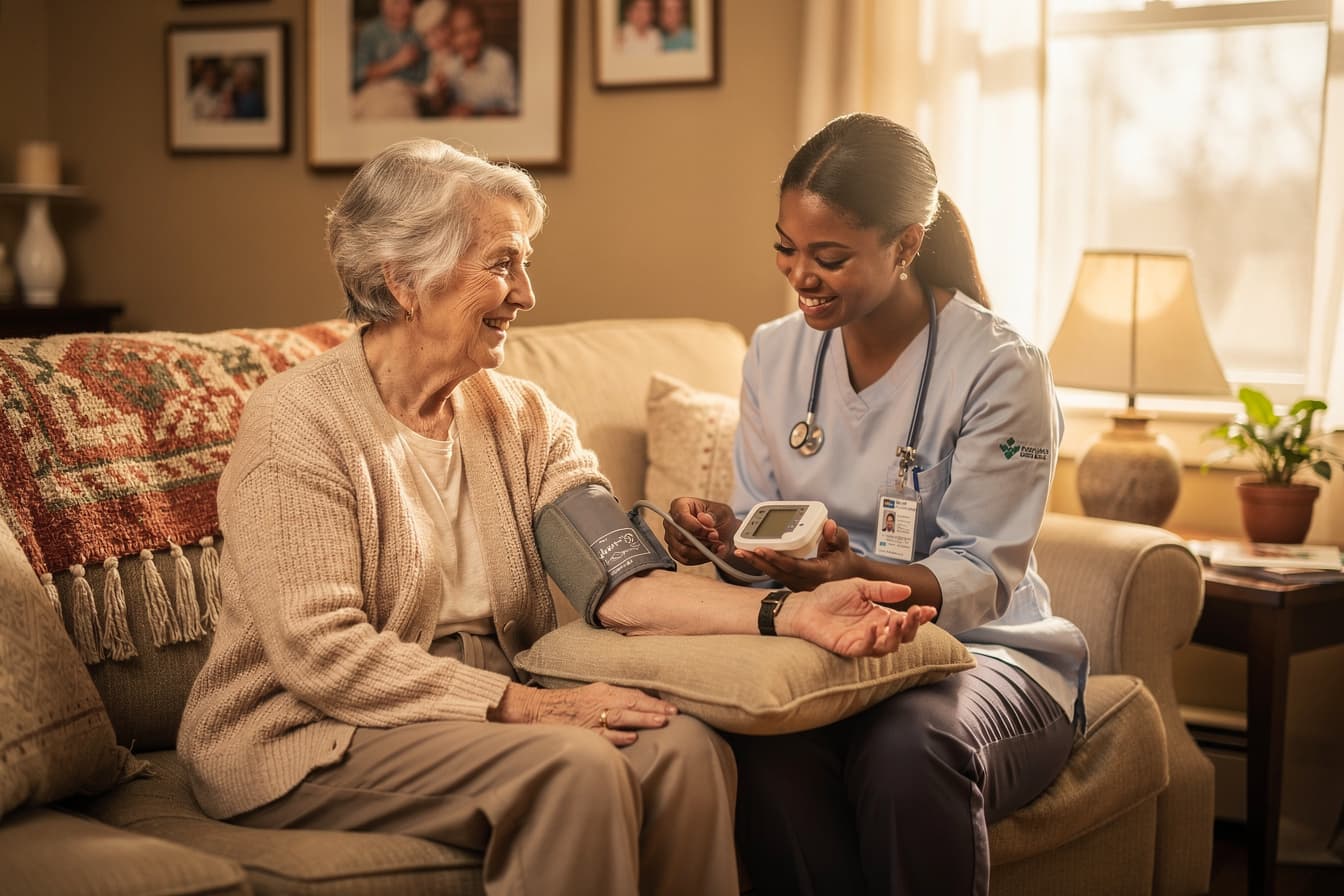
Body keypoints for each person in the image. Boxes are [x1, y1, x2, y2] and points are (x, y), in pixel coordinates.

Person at [176, 137, 934, 896]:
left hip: (463, 711)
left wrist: (794, 612)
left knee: (685, 749)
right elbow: (322, 653)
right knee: (575, 768)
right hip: (312, 731)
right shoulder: (298, 424)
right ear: (406, 280)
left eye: (524, 262)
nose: (527, 294)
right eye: (503, 263)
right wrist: (532, 707)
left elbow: (625, 581)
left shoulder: (521, 417)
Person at [663, 113, 1090, 896]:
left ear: (905, 245)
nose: (800, 276)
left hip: (985, 650)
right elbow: (763, 523)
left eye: (829, 257)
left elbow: (981, 571)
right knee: (768, 748)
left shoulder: (1000, 367)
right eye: (786, 250)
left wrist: (854, 570)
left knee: (905, 750)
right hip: (825, 645)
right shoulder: (775, 352)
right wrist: (725, 537)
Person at [441, 1, 518, 116]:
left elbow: (514, 111)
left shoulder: (501, 62)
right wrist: (439, 97)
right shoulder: (450, 68)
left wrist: (477, 114)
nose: (467, 39)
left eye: (472, 28)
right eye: (458, 33)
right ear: (452, 40)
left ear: (483, 29)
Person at [350, 0, 424, 118]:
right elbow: (360, 73)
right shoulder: (371, 32)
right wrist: (397, 62)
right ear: (383, 5)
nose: (405, 10)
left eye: (409, 3)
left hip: (406, 94)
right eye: (397, 3)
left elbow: (424, 79)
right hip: (373, 93)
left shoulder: (418, 31)